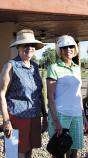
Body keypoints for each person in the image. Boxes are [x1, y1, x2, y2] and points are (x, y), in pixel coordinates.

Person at [0, 29, 48, 158]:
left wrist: (45, 114)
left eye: (32, 45)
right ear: (18, 47)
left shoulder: (35, 67)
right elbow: (1, 94)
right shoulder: (11, 65)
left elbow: (40, 93)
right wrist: (6, 120)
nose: (29, 48)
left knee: (29, 151)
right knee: (17, 153)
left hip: (34, 116)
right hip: (16, 117)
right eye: (25, 45)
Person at [47, 35, 88, 158]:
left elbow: (78, 94)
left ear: (75, 49)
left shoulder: (76, 69)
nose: (68, 49)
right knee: (58, 152)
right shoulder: (53, 68)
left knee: (74, 152)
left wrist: (84, 116)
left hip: (76, 115)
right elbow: (50, 96)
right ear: (59, 50)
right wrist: (55, 120)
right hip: (60, 114)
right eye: (64, 47)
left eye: (71, 46)